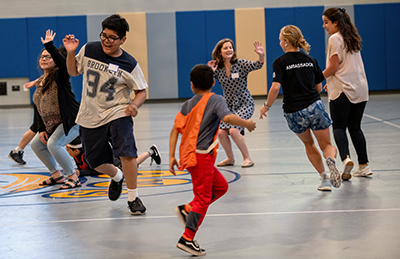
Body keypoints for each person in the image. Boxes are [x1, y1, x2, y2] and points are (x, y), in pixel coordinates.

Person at [63, 14, 148, 214]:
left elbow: (141, 91)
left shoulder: (129, 63)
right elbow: (73, 71)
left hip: (118, 111)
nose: (106, 40)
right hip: (90, 114)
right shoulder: (89, 49)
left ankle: (133, 198)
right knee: (94, 161)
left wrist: (135, 105)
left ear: (122, 40)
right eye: (104, 35)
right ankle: (117, 176)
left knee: (127, 152)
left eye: (112, 37)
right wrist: (70, 52)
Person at [169, 64, 256, 256]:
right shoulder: (216, 99)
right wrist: (247, 123)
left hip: (190, 156)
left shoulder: (187, 104)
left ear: (191, 85)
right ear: (214, 82)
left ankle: (189, 210)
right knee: (203, 198)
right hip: (201, 158)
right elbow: (228, 117)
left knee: (221, 187)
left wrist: (172, 157)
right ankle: (187, 238)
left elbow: (174, 130)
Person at [259, 25, 341, 191]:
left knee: (309, 145)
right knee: (326, 146)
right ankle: (330, 159)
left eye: (281, 40)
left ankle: (324, 179)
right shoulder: (311, 60)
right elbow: (318, 88)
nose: (280, 42)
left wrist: (266, 106)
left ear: (287, 42)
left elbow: (275, 88)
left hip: (294, 111)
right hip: (314, 106)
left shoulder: (279, 62)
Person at [322, 7, 372, 178]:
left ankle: (345, 159)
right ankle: (364, 166)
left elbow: (334, 67)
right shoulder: (352, 37)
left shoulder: (334, 39)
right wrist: (331, 82)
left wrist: (317, 78)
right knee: (355, 127)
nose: (324, 26)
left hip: (343, 89)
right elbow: (346, 66)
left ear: (336, 23)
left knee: (339, 126)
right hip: (360, 88)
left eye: (326, 22)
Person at [30, 29, 80, 189]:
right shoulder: (40, 81)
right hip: (53, 124)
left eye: (48, 56)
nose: (44, 59)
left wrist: (50, 46)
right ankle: (56, 175)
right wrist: (42, 129)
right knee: (36, 144)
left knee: (54, 144)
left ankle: (73, 176)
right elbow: (39, 108)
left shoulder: (61, 76)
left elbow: (63, 64)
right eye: (42, 56)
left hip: (71, 121)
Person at [207, 39, 264, 168]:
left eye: (230, 47)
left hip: (245, 103)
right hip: (229, 105)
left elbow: (258, 65)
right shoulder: (219, 69)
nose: (229, 50)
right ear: (220, 52)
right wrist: (210, 71)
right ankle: (230, 158)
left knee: (233, 131)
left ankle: (247, 158)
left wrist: (261, 55)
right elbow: (208, 83)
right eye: (225, 48)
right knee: (221, 133)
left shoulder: (241, 64)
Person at [66, 136, 162, 177]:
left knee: (131, 165)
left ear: (77, 150)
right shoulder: (76, 156)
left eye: (68, 149)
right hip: (110, 159)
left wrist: (81, 173)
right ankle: (151, 152)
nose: (66, 151)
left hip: (113, 161)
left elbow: (97, 170)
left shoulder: (87, 156)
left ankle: (151, 151)